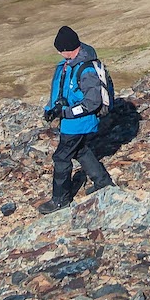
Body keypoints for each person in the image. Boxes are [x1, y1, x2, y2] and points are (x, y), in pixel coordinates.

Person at [41, 26, 115, 212]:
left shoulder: (86, 69)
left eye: (60, 48)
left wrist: (65, 113)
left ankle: (60, 200)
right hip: (72, 121)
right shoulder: (69, 63)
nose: (58, 52)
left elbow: (92, 101)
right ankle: (103, 182)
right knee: (80, 150)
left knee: (61, 157)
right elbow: (62, 91)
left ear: (67, 48)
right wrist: (51, 110)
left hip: (78, 123)